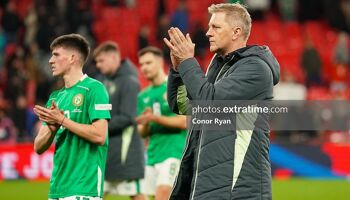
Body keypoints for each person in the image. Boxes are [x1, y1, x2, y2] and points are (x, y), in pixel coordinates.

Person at [164, 3, 280, 200]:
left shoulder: (256, 69)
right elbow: (183, 106)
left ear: (236, 32)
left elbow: (210, 103)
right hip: (208, 184)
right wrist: (177, 70)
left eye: (215, 27)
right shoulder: (219, 67)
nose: (208, 33)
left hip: (237, 189)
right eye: (209, 26)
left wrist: (187, 62)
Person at [33, 33, 111, 200]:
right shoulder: (55, 97)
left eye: (56, 55)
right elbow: (38, 147)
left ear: (72, 58)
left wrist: (62, 120)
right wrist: (52, 128)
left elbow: (100, 135)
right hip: (57, 188)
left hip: (84, 188)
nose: (50, 60)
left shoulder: (95, 89)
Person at [93, 41, 145, 200]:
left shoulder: (129, 81)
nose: (98, 65)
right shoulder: (101, 81)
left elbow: (128, 117)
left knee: (135, 194)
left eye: (101, 61)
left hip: (125, 150)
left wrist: (98, 127)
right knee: (94, 192)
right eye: (96, 62)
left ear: (114, 57)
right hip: (106, 149)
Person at [136, 46, 187, 200]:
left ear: (159, 62)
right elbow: (142, 133)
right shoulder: (143, 96)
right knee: (140, 196)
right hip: (152, 154)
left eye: (148, 63)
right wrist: (145, 123)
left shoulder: (178, 86)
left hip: (173, 152)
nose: (144, 68)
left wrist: (155, 118)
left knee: (162, 195)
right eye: (142, 64)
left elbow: (185, 121)